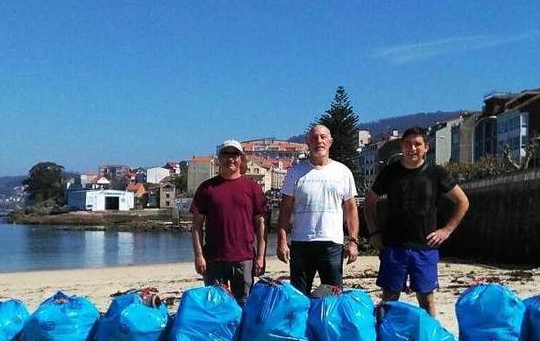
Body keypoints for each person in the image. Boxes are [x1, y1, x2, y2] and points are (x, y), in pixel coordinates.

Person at [363, 126, 469, 317]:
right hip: (394, 246)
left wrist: (446, 230)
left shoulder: (436, 173)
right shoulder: (390, 172)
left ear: (426, 147)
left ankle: (429, 340)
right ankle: (383, 340)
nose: (412, 148)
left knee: (426, 299)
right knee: (389, 299)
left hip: (425, 246)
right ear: (402, 147)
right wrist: (374, 232)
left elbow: (462, 202)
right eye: (407, 144)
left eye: (417, 144)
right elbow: (369, 202)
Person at [277, 124, 359, 295]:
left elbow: (351, 210)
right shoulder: (295, 172)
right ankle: (302, 323)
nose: (319, 141)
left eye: (323, 137)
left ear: (330, 142)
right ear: (308, 142)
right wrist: (282, 241)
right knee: (299, 297)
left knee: (332, 296)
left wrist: (353, 241)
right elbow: (285, 210)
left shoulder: (343, 172)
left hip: (332, 243)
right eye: (314, 137)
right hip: (301, 243)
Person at [190, 139, 267, 304]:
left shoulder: (252, 188)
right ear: (219, 158)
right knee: (217, 306)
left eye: (235, 154)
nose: (230, 159)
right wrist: (198, 256)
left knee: (244, 304)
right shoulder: (207, 188)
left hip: (244, 257)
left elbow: (261, 225)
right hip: (214, 258)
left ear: (241, 159)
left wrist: (260, 256)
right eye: (226, 154)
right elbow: (196, 226)